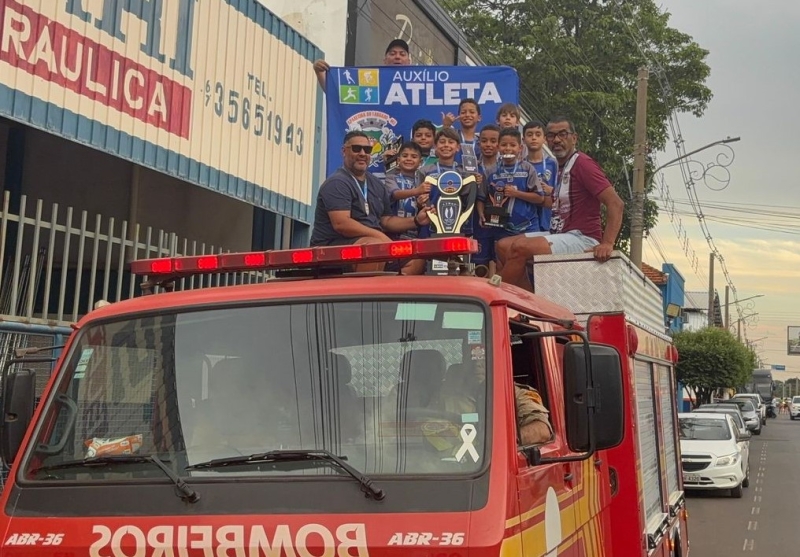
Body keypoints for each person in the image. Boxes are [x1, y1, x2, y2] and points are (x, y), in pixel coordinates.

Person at [497, 117, 624, 291]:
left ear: (574, 138)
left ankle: (494, 295)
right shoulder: (561, 167)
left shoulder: (582, 164)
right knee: (503, 246)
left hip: (582, 238)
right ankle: (530, 298)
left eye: (562, 134)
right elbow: (552, 203)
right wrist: (521, 194)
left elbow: (616, 203)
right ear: (547, 140)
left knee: (520, 247)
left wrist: (607, 243)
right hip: (560, 233)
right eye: (551, 135)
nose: (556, 140)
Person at [310, 131, 431, 273]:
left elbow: (386, 221)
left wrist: (416, 220)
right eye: (356, 148)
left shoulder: (376, 184)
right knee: (374, 248)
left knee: (416, 256)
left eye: (367, 149)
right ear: (344, 151)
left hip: (373, 245)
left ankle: (391, 287)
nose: (362, 153)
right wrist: (381, 237)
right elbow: (342, 224)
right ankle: (368, 287)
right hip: (333, 249)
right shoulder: (337, 182)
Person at [475, 128, 550, 269]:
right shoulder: (491, 171)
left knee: (531, 266)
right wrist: (481, 214)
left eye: (512, 145)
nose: (508, 148)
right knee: (502, 265)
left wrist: (517, 194)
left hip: (528, 226)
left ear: (520, 148)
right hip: (501, 228)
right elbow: (481, 198)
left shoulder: (527, 169)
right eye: (504, 145)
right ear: (498, 147)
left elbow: (539, 198)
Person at [312, 39, 412, 90]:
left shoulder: (417, 85)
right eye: (392, 53)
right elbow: (337, 94)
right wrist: (319, 73)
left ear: (409, 62)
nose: (397, 57)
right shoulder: (372, 80)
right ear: (384, 61)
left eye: (402, 54)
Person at [523, 121, 559, 232]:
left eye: (538, 134)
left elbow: (563, 191)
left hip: (548, 219)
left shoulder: (554, 164)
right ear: (523, 140)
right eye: (530, 135)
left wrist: (551, 190)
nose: (534, 138)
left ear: (544, 139)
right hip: (527, 219)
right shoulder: (520, 165)